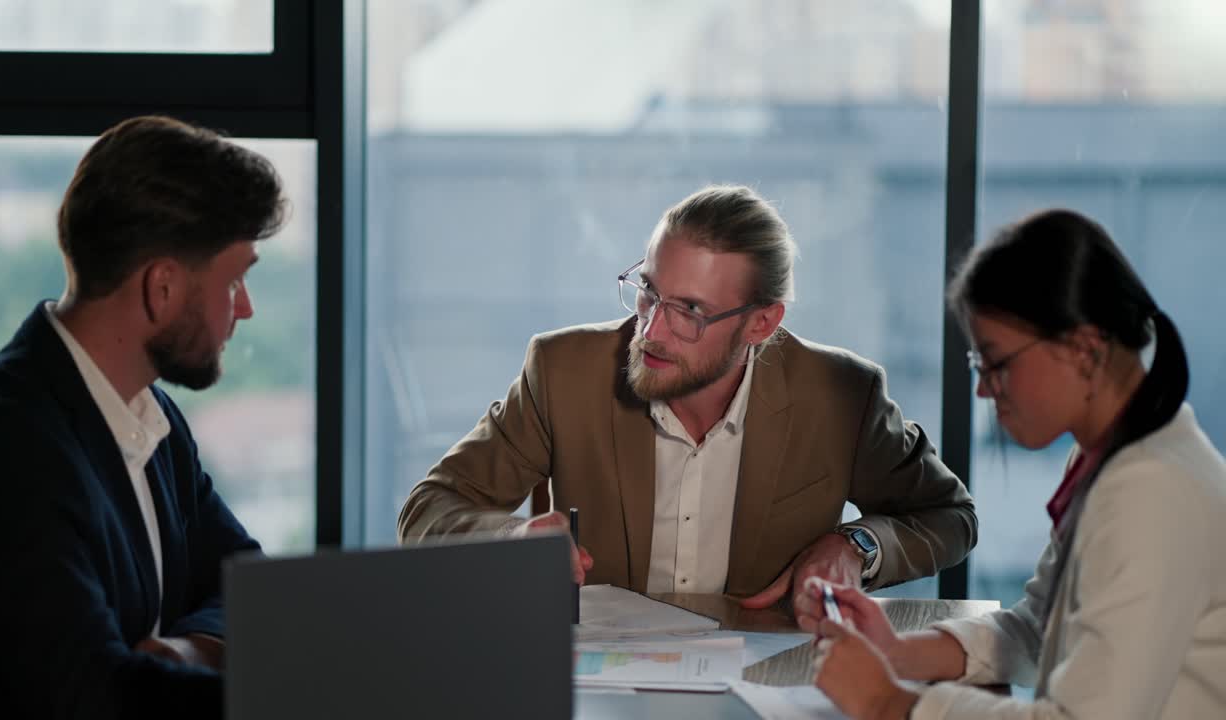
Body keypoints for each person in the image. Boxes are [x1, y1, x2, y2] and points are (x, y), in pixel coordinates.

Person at [398, 185, 976, 618]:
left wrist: (856, 543)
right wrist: (512, 542)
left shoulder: (841, 396)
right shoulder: (562, 371)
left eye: (690, 311)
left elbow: (950, 517)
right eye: (648, 292)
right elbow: (429, 509)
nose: (649, 331)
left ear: (762, 322)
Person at [809, 209, 1226, 719]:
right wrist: (896, 651)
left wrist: (891, 701)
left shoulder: (1152, 492)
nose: (984, 389)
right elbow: (1039, 627)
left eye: (997, 363)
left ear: (1085, 351)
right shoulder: (1111, 459)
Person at [0, 115, 289, 720]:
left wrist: (185, 651)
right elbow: (94, 698)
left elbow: (248, 586)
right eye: (234, 280)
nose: (246, 307)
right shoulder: (5, 454)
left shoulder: (150, 416)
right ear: (162, 288)